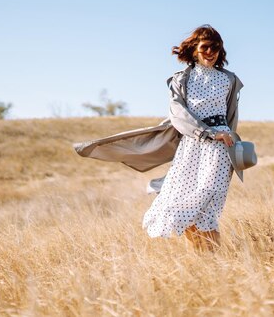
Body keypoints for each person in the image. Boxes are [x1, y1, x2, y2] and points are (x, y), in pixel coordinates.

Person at [73, 24, 244, 252]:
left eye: (215, 48)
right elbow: (178, 114)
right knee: (179, 206)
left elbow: (231, 115)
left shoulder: (229, 80)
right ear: (194, 49)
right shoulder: (181, 79)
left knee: (207, 203)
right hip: (192, 146)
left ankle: (215, 259)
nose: (210, 52)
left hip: (220, 150)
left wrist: (229, 139)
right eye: (205, 47)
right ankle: (206, 258)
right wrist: (207, 133)